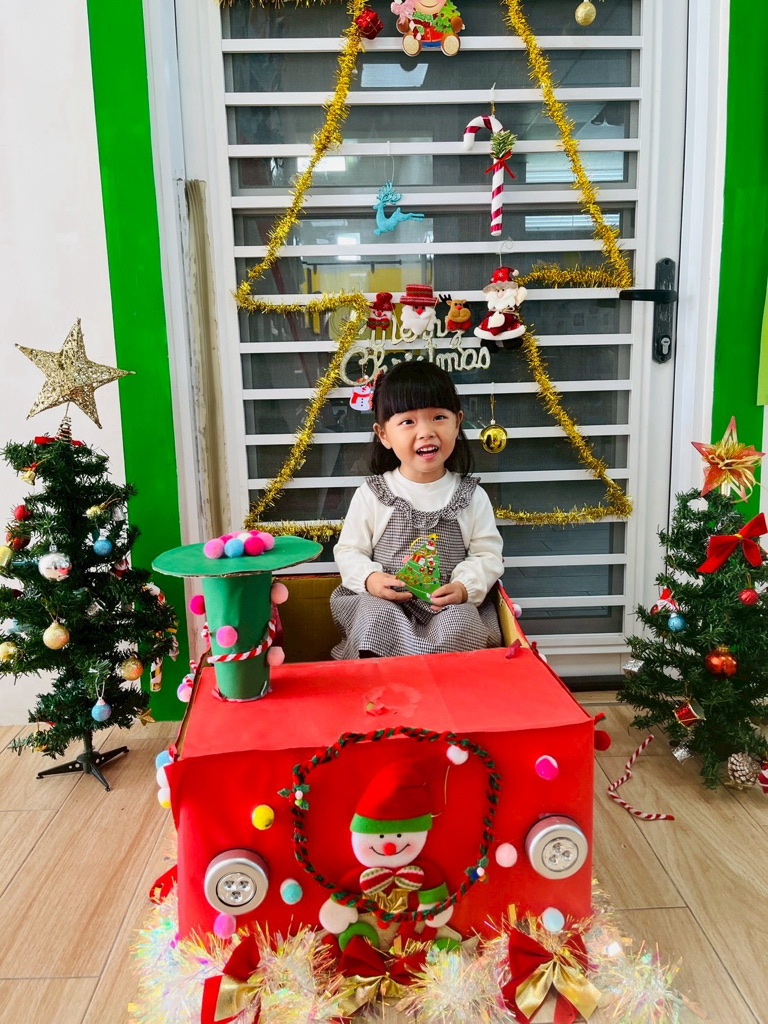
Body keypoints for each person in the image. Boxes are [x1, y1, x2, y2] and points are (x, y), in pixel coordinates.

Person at [331, 360, 504, 659]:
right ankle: (378, 680)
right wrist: (371, 579)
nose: (426, 432)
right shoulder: (372, 495)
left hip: (445, 606)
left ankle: (447, 684)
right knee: (374, 616)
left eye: (438, 417)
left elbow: (487, 555)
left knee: (461, 621)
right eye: (408, 422)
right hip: (388, 602)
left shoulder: (471, 496)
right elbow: (349, 551)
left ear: (457, 423)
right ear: (384, 434)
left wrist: (464, 587)